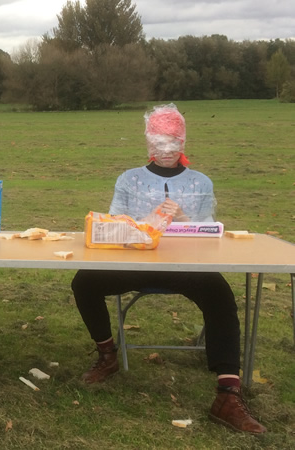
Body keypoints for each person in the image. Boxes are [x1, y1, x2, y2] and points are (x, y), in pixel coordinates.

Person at [71, 104, 266, 434]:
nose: (165, 151)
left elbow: (211, 234)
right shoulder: (129, 179)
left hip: (186, 265)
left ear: (183, 142)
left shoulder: (200, 183)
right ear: (148, 143)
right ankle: (107, 356)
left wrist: (187, 221)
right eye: (158, 144)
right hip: (135, 262)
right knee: (84, 281)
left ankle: (228, 394)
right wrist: (141, 225)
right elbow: (111, 225)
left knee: (219, 292)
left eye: (172, 143)